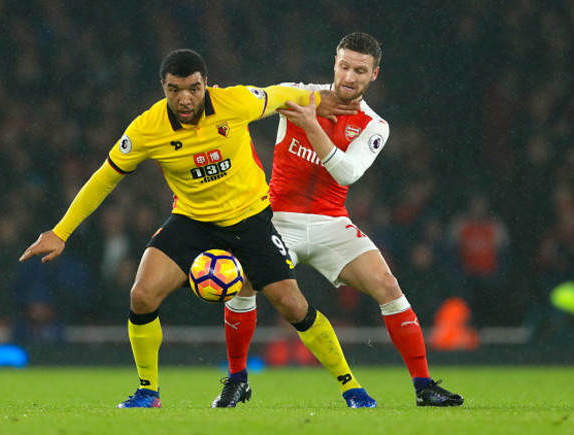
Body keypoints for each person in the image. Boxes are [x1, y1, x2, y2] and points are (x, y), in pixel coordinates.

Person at [19, 49, 378, 409]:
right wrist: (61, 231)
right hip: (192, 220)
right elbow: (104, 179)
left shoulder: (235, 102)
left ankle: (351, 387)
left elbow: (284, 94)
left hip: (249, 219)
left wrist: (320, 100)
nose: (185, 98)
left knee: (293, 305)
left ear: (206, 84)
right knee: (141, 295)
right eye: (175, 89)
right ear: (163, 87)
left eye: (193, 88)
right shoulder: (147, 128)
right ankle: (148, 391)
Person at [213, 33, 464, 408]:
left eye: (360, 71)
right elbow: (253, 99)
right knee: (243, 284)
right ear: (334, 63)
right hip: (278, 217)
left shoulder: (374, 125)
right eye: (344, 66)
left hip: (332, 222)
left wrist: (312, 125)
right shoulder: (297, 95)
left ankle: (424, 386)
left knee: (387, 285)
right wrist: (219, 100)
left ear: (374, 74)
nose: (349, 76)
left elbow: (347, 173)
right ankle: (237, 380)